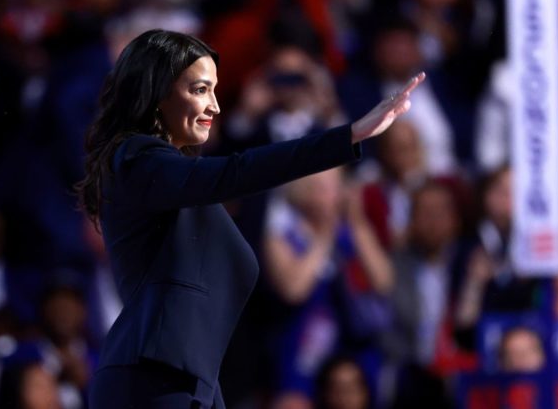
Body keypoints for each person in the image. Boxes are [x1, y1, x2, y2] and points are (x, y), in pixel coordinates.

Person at [76, 29, 424, 408]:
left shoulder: (175, 182)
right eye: (199, 90)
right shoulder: (136, 158)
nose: (215, 106)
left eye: (214, 91)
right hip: (151, 380)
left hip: (190, 379)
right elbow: (237, 171)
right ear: (157, 91)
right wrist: (348, 136)